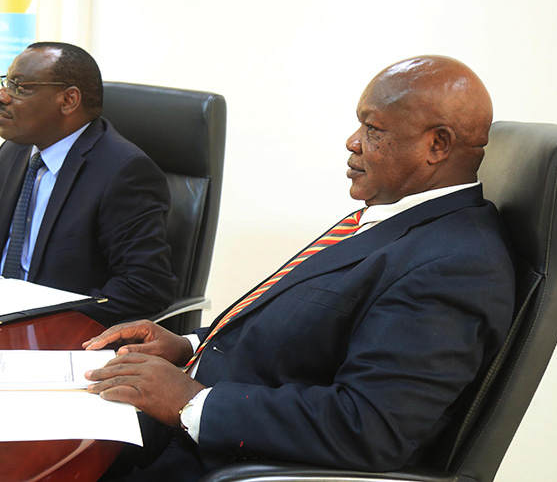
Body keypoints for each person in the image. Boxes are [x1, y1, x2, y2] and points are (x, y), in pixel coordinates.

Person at [83, 55, 516, 479]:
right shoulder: (393, 217)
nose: (352, 141)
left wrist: (190, 401)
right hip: (175, 426)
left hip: (214, 459)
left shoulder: (456, 263)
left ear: (436, 145)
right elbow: (302, 335)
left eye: (373, 128)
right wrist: (191, 344)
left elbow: (370, 427)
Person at [0, 42, 177, 325]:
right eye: (5, 83)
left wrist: (42, 319)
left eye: (19, 87)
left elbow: (144, 287)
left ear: (68, 100)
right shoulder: (14, 151)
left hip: (59, 339)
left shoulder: (123, 171)